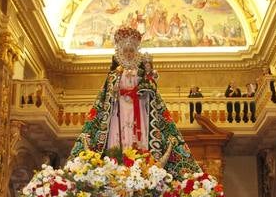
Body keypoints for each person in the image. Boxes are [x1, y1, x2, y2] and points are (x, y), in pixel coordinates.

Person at [70, 26, 201, 179]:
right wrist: (116, 91)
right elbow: (106, 97)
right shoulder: (114, 75)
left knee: (140, 135)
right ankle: (117, 161)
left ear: (136, 53)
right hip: (119, 112)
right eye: (126, 51)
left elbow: (151, 90)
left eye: (132, 51)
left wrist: (148, 78)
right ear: (120, 53)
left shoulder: (141, 74)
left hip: (140, 109)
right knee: (118, 135)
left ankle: (141, 161)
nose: (129, 54)